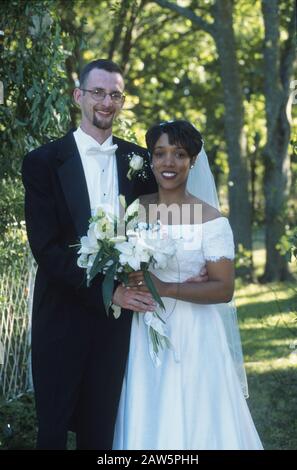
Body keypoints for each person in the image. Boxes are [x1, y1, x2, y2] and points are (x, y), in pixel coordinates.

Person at [21, 59, 158, 449]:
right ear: (78, 96)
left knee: (101, 429)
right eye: (98, 92)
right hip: (62, 313)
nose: (107, 102)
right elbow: (45, 248)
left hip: (117, 323)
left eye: (115, 94)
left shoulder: (140, 163)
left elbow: (153, 230)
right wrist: (106, 290)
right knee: (53, 429)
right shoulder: (43, 162)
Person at [112, 120, 263, 450]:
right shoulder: (133, 212)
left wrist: (164, 288)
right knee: (149, 410)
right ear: (150, 160)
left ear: (193, 161)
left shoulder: (211, 220)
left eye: (179, 154)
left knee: (198, 418)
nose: (169, 163)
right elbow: (119, 267)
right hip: (143, 330)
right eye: (160, 153)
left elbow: (224, 289)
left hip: (195, 334)